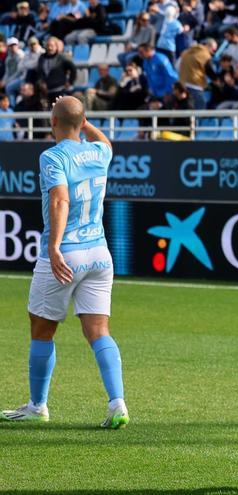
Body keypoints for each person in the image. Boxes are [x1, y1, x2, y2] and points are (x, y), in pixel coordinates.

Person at [0, 96, 129, 430]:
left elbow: (59, 198)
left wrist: (54, 246)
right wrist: (83, 120)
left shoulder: (52, 156)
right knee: (99, 330)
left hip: (66, 252)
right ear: (83, 122)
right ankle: (118, 403)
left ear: (52, 123)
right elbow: (105, 141)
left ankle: (38, 405)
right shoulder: (100, 153)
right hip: (99, 253)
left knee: (42, 328)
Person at [30, 37, 76, 101]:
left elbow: (73, 68)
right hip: (46, 90)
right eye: (48, 45)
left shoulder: (62, 57)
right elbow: (39, 71)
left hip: (59, 89)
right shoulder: (42, 57)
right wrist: (41, 81)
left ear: (56, 47)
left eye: (52, 46)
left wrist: (70, 82)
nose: (50, 48)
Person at [178, 38, 218, 109]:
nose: (213, 53)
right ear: (209, 46)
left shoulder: (187, 52)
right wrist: (217, 81)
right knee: (200, 106)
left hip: (183, 83)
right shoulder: (204, 54)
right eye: (213, 50)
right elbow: (209, 70)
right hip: (195, 84)